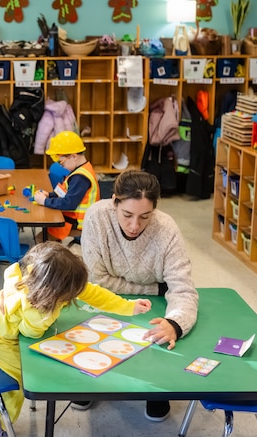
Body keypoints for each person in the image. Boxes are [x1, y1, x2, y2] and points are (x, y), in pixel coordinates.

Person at [0, 242, 151, 437]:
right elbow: (30, 333)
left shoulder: (40, 274)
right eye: (67, 297)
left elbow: (93, 293)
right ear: (54, 292)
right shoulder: (38, 312)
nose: (74, 296)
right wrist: (50, 315)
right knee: (22, 378)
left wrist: (128, 306)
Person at [80, 169, 199, 421]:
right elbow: (98, 281)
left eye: (145, 216)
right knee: (89, 332)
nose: (135, 225)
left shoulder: (166, 229)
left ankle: (154, 390)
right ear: (114, 202)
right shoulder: (96, 218)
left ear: (154, 210)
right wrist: (154, 289)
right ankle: (87, 380)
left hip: (155, 305)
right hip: (107, 297)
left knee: (158, 339)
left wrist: (175, 324)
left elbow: (183, 289)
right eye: (127, 215)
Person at [33, 131, 99, 242]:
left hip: (76, 223)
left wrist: (44, 201)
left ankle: (55, 257)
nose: (61, 166)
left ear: (74, 156)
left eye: (62, 162)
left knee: (41, 239)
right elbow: (65, 192)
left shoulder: (80, 178)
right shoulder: (80, 170)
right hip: (71, 218)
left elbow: (69, 203)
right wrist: (49, 195)